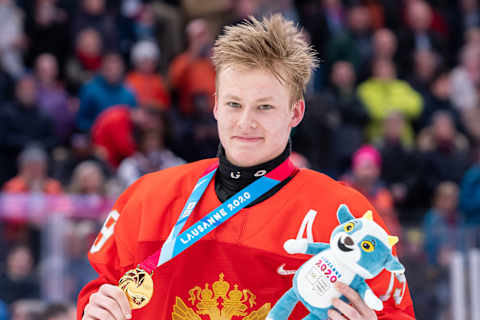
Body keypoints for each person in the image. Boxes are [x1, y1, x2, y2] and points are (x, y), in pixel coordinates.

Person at [78, 15, 415, 320]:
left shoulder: (346, 216)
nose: (245, 122)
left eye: (264, 107)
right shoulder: (148, 197)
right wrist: (96, 310)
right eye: (234, 104)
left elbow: (395, 313)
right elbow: (100, 290)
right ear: (215, 106)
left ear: (295, 113)